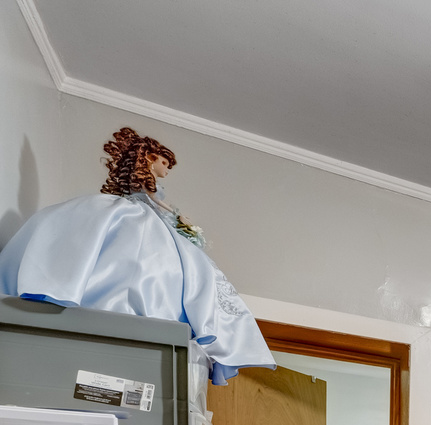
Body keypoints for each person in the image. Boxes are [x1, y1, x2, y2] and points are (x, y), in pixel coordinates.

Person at [0, 128, 275, 385]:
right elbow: (155, 201)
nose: (166, 170)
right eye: (164, 164)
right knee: (143, 254)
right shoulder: (140, 196)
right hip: (139, 221)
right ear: (151, 159)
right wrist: (179, 216)